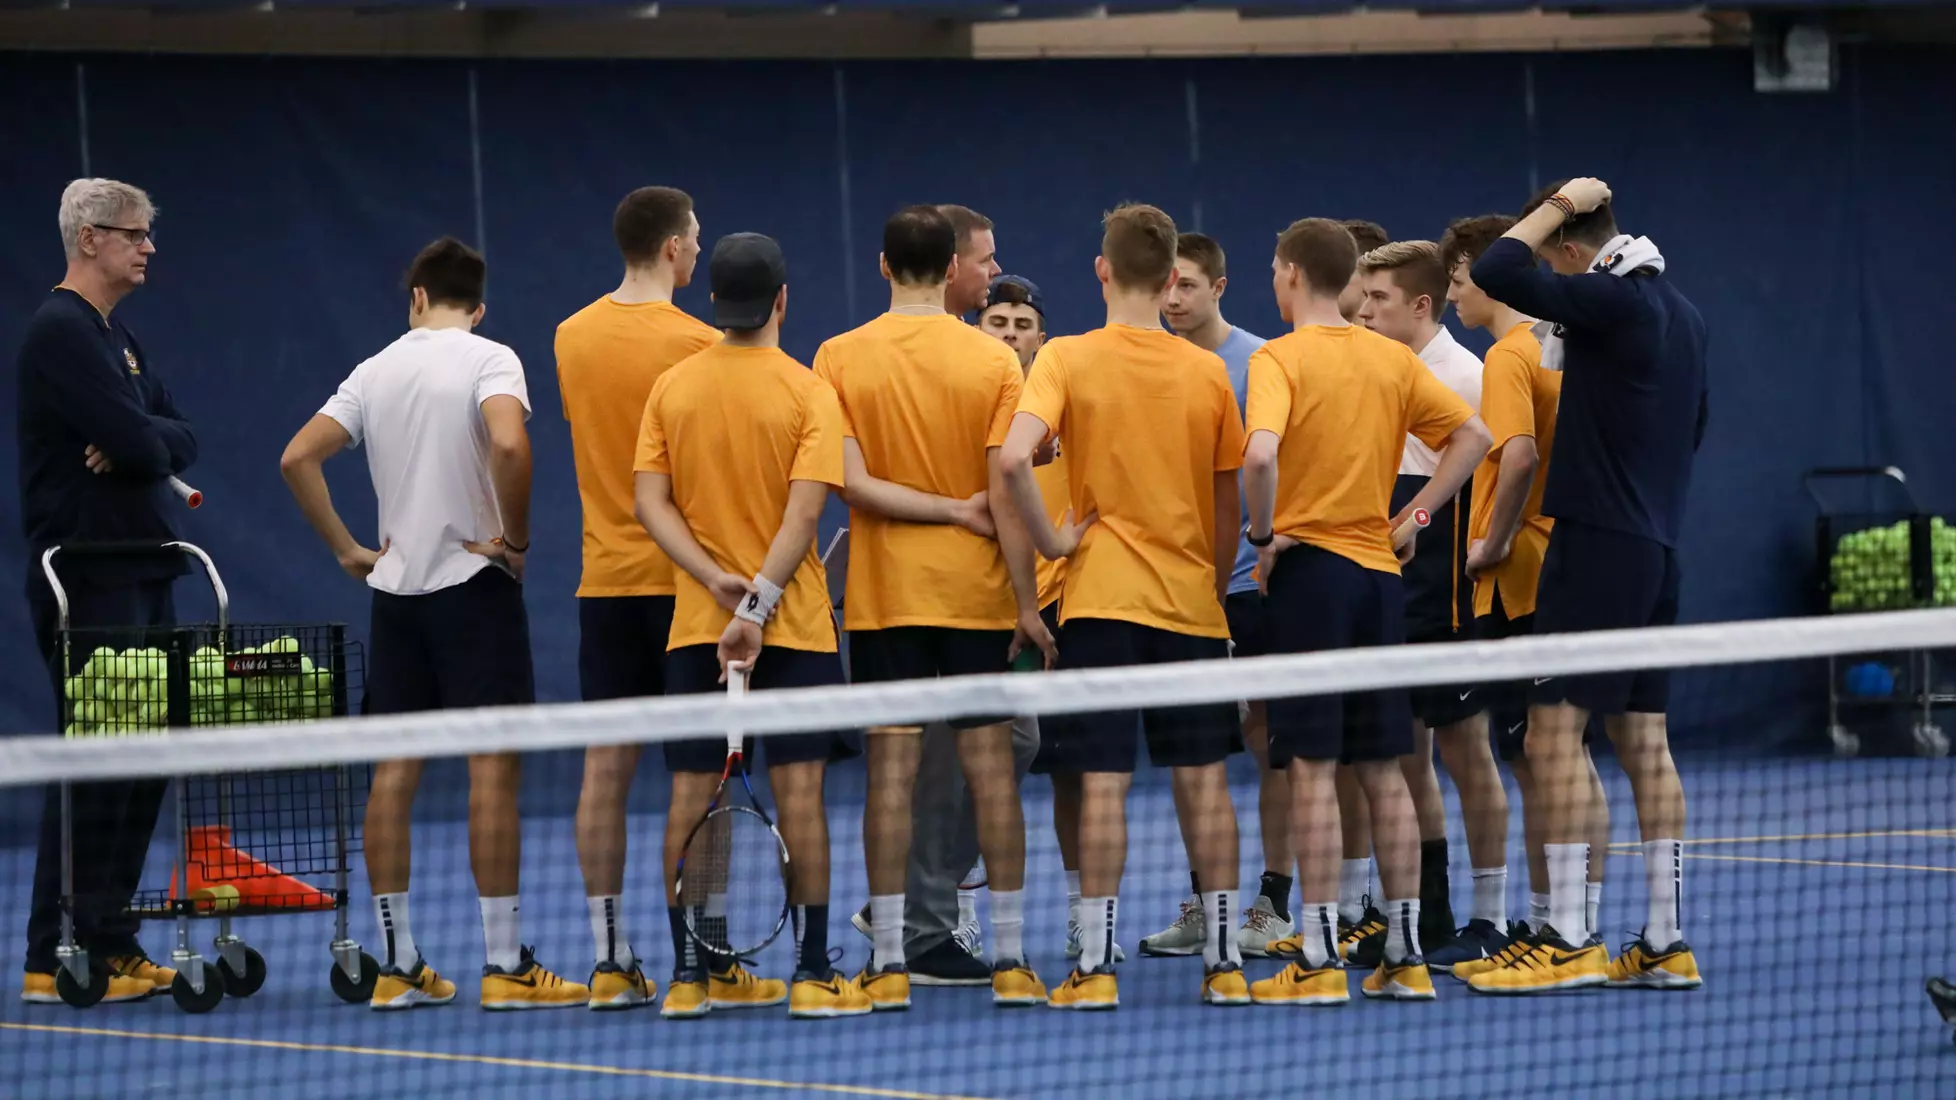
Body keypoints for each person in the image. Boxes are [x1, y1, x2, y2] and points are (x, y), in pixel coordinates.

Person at [282, 236, 588, 1010]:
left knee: (393, 773)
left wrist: (348, 549)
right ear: (478, 308)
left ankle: (397, 964)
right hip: (474, 589)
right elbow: (510, 442)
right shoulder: (491, 358)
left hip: (397, 596)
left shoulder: (372, 371)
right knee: (493, 768)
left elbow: (296, 459)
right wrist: (516, 543)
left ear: (416, 297)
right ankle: (505, 965)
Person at [1001, 203, 1250, 1010]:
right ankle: (1225, 965)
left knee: (1102, 785)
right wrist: (1211, 587)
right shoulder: (1207, 372)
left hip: (1100, 604)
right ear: (1171, 277)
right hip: (1190, 605)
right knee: (1205, 783)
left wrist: (1055, 540)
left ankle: (1096, 970)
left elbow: (1013, 460)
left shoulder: (1066, 358)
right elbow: (1228, 503)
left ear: (1102, 270)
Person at [1466, 177, 1707, 993]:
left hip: (1598, 547)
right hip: (1656, 551)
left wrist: (1560, 203)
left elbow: (1498, 269)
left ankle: (1567, 939)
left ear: (1572, 251)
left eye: (1557, 258)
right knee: (1644, 743)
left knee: (1551, 738)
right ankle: (1666, 941)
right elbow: (1695, 428)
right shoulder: (1684, 315)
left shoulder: (1611, 299)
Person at [1241, 217, 1490, 1007]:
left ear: (1290, 273)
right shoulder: (1392, 358)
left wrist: (1262, 535)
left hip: (1311, 580)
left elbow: (1259, 454)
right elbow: (1474, 437)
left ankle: (1318, 958)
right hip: (1381, 581)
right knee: (1385, 768)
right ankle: (1406, 956)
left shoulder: (1278, 358)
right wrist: (1414, 519)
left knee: (1313, 768)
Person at [813, 206, 1049, 1011]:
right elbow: (1005, 494)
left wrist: (938, 511)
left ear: (884, 265)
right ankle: (1011, 959)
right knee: (993, 774)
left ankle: (887, 962)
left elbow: (851, 485)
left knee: (891, 777)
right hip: (977, 599)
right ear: (952, 269)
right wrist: (1027, 601)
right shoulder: (993, 361)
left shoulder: (836, 356)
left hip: (887, 603)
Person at [632, 231, 871, 1020]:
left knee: (689, 800)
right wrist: (760, 605)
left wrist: (714, 584)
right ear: (782, 301)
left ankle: (688, 977)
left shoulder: (670, 389)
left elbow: (650, 504)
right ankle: (812, 974)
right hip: (792, 627)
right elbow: (805, 515)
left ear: (713, 302)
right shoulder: (809, 392)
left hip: (700, 629)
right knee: (802, 798)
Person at [18, 177, 190, 1004]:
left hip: (146, 568)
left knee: (145, 762)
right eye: (135, 234)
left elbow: (176, 435)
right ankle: (53, 953)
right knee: (96, 761)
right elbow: (142, 440)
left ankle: (111, 938)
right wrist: (140, 439)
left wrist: (142, 438)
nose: (148, 247)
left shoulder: (117, 338)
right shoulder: (60, 332)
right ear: (90, 239)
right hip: (86, 577)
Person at [556, 186, 720, 1009]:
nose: (699, 250)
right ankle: (703, 959)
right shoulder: (703, 345)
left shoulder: (569, 336)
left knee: (605, 769)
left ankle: (610, 959)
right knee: (700, 778)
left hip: (607, 586)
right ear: (671, 248)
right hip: (688, 588)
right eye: (695, 238)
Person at [1437, 213, 1612, 977]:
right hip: (1575, 567)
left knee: (1543, 756)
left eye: (1456, 280)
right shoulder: (1570, 347)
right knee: (1567, 755)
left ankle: (1558, 931)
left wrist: (1493, 542)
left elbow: (1518, 458)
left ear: (1486, 276)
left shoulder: (1510, 355)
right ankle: (1571, 923)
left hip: (1520, 581)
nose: (1452, 296)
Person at [1145, 231, 1293, 959]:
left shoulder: (1260, 363)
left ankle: (1273, 902)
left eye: (1188, 286)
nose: (1174, 299)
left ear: (1219, 288)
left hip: (1249, 588)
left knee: (1269, 744)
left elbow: (1274, 466)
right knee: (1193, 757)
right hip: (1178, 594)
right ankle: (1209, 903)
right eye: (1166, 286)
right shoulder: (1152, 365)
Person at [973, 274, 1124, 966]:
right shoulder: (971, 399)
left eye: (1022, 324)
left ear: (1041, 334)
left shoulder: (1068, 395)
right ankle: (958, 915)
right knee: (977, 770)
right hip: (984, 604)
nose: (1010, 334)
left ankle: (1080, 915)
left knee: (1073, 769)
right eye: (997, 322)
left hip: (1065, 604)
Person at [1354, 239, 1496, 956]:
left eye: (1377, 298)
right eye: (1362, 296)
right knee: (1407, 752)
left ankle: (1491, 917)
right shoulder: (1378, 365)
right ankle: (1427, 913)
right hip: (1393, 583)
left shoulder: (1465, 376)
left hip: (1448, 590)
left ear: (1418, 305)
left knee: (1468, 752)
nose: (1363, 310)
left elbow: (1481, 463)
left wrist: (1415, 519)